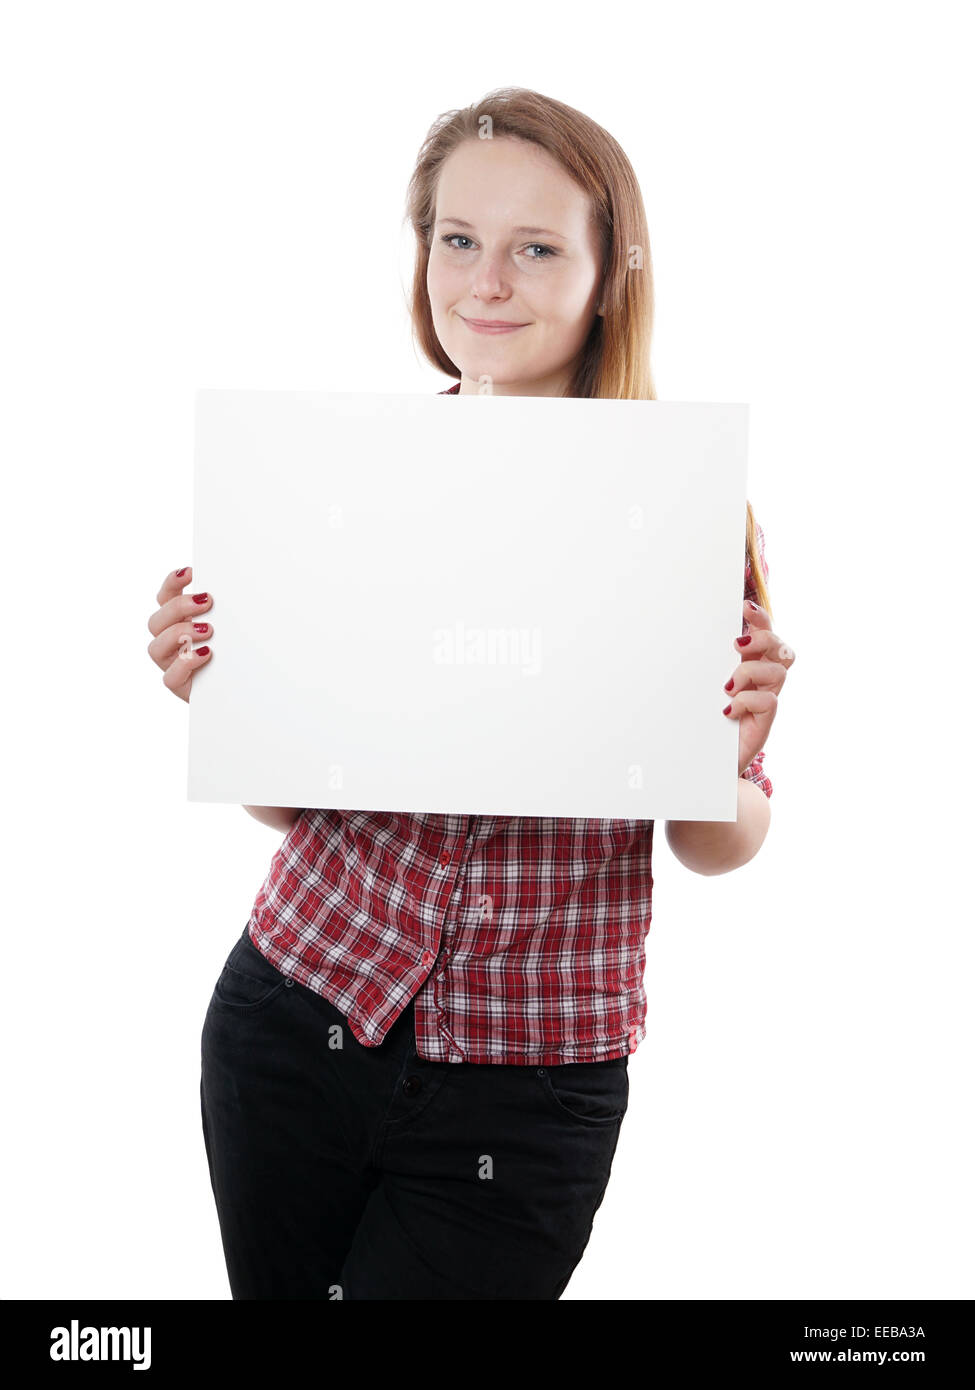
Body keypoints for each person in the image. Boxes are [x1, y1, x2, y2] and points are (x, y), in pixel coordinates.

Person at [146, 86, 795, 1300]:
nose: (485, 281)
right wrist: (231, 705)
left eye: (536, 247)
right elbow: (298, 815)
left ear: (609, 275)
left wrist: (729, 750)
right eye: (458, 240)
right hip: (295, 1017)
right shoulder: (346, 486)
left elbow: (719, 839)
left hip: (531, 1077)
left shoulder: (690, 511)